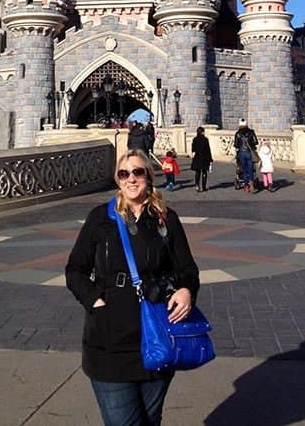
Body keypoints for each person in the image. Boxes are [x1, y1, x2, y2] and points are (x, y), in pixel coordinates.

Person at [65, 149, 200, 426]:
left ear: (149, 176)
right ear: (117, 179)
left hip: (159, 336)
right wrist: (95, 302)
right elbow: (74, 270)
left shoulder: (165, 218)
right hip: (110, 341)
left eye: (138, 172)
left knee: (150, 420)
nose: (131, 179)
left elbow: (187, 268)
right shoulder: (100, 219)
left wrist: (186, 290)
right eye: (124, 173)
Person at [233, 118, 258, 194]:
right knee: (250, 168)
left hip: (241, 153)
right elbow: (256, 142)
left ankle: (246, 186)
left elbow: (236, 145)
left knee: (244, 169)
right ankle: (251, 182)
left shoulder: (237, 133)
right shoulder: (251, 132)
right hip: (249, 152)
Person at [190, 126, 213, 192]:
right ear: (202, 132)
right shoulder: (205, 139)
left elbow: (193, 149)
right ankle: (204, 186)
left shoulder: (195, 139)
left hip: (197, 157)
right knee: (204, 172)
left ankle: (197, 185)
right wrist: (210, 159)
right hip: (204, 157)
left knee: (197, 172)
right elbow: (208, 150)